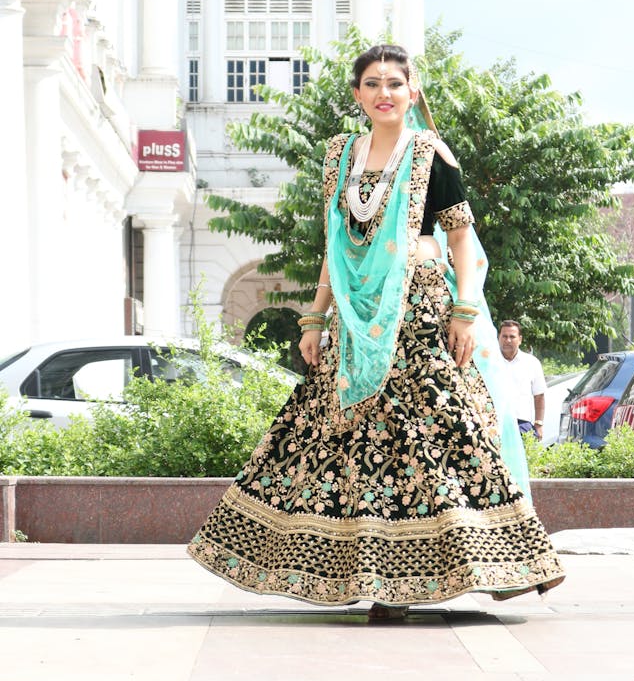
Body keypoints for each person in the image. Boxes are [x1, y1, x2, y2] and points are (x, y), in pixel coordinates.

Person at [189, 44, 564, 619]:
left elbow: (461, 240)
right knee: (341, 437)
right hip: (351, 312)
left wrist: (464, 311)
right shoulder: (339, 155)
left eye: (394, 82)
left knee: (433, 435)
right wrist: (314, 317)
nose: (383, 92)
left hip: (417, 313)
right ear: (358, 94)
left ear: (412, 91)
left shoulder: (430, 154)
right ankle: (358, 575)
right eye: (372, 83)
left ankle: (471, 567)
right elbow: (334, 246)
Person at [498, 320, 547, 438]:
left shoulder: (531, 363)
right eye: (504, 336)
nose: (508, 340)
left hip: (521, 424)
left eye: (512, 337)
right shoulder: (489, 361)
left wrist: (539, 424)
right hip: (494, 422)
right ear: (499, 337)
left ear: (520, 339)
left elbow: (539, 395)